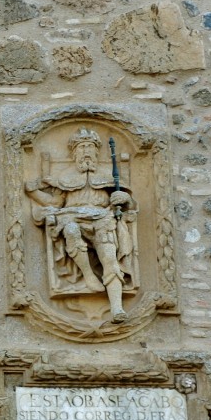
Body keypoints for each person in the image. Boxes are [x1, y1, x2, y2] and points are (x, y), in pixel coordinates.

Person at [24, 127, 136, 323]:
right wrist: (34, 193)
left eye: (89, 147)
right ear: (74, 152)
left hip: (103, 219)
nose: (85, 151)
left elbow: (130, 205)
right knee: (71, 230)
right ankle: (89, 276)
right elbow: (55, 204)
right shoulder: (65, 177)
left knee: (109, 256)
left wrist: (124, 197)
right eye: (81, 147)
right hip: (72, 218)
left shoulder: (108, 175)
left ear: (96, 152)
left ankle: (117, 307)